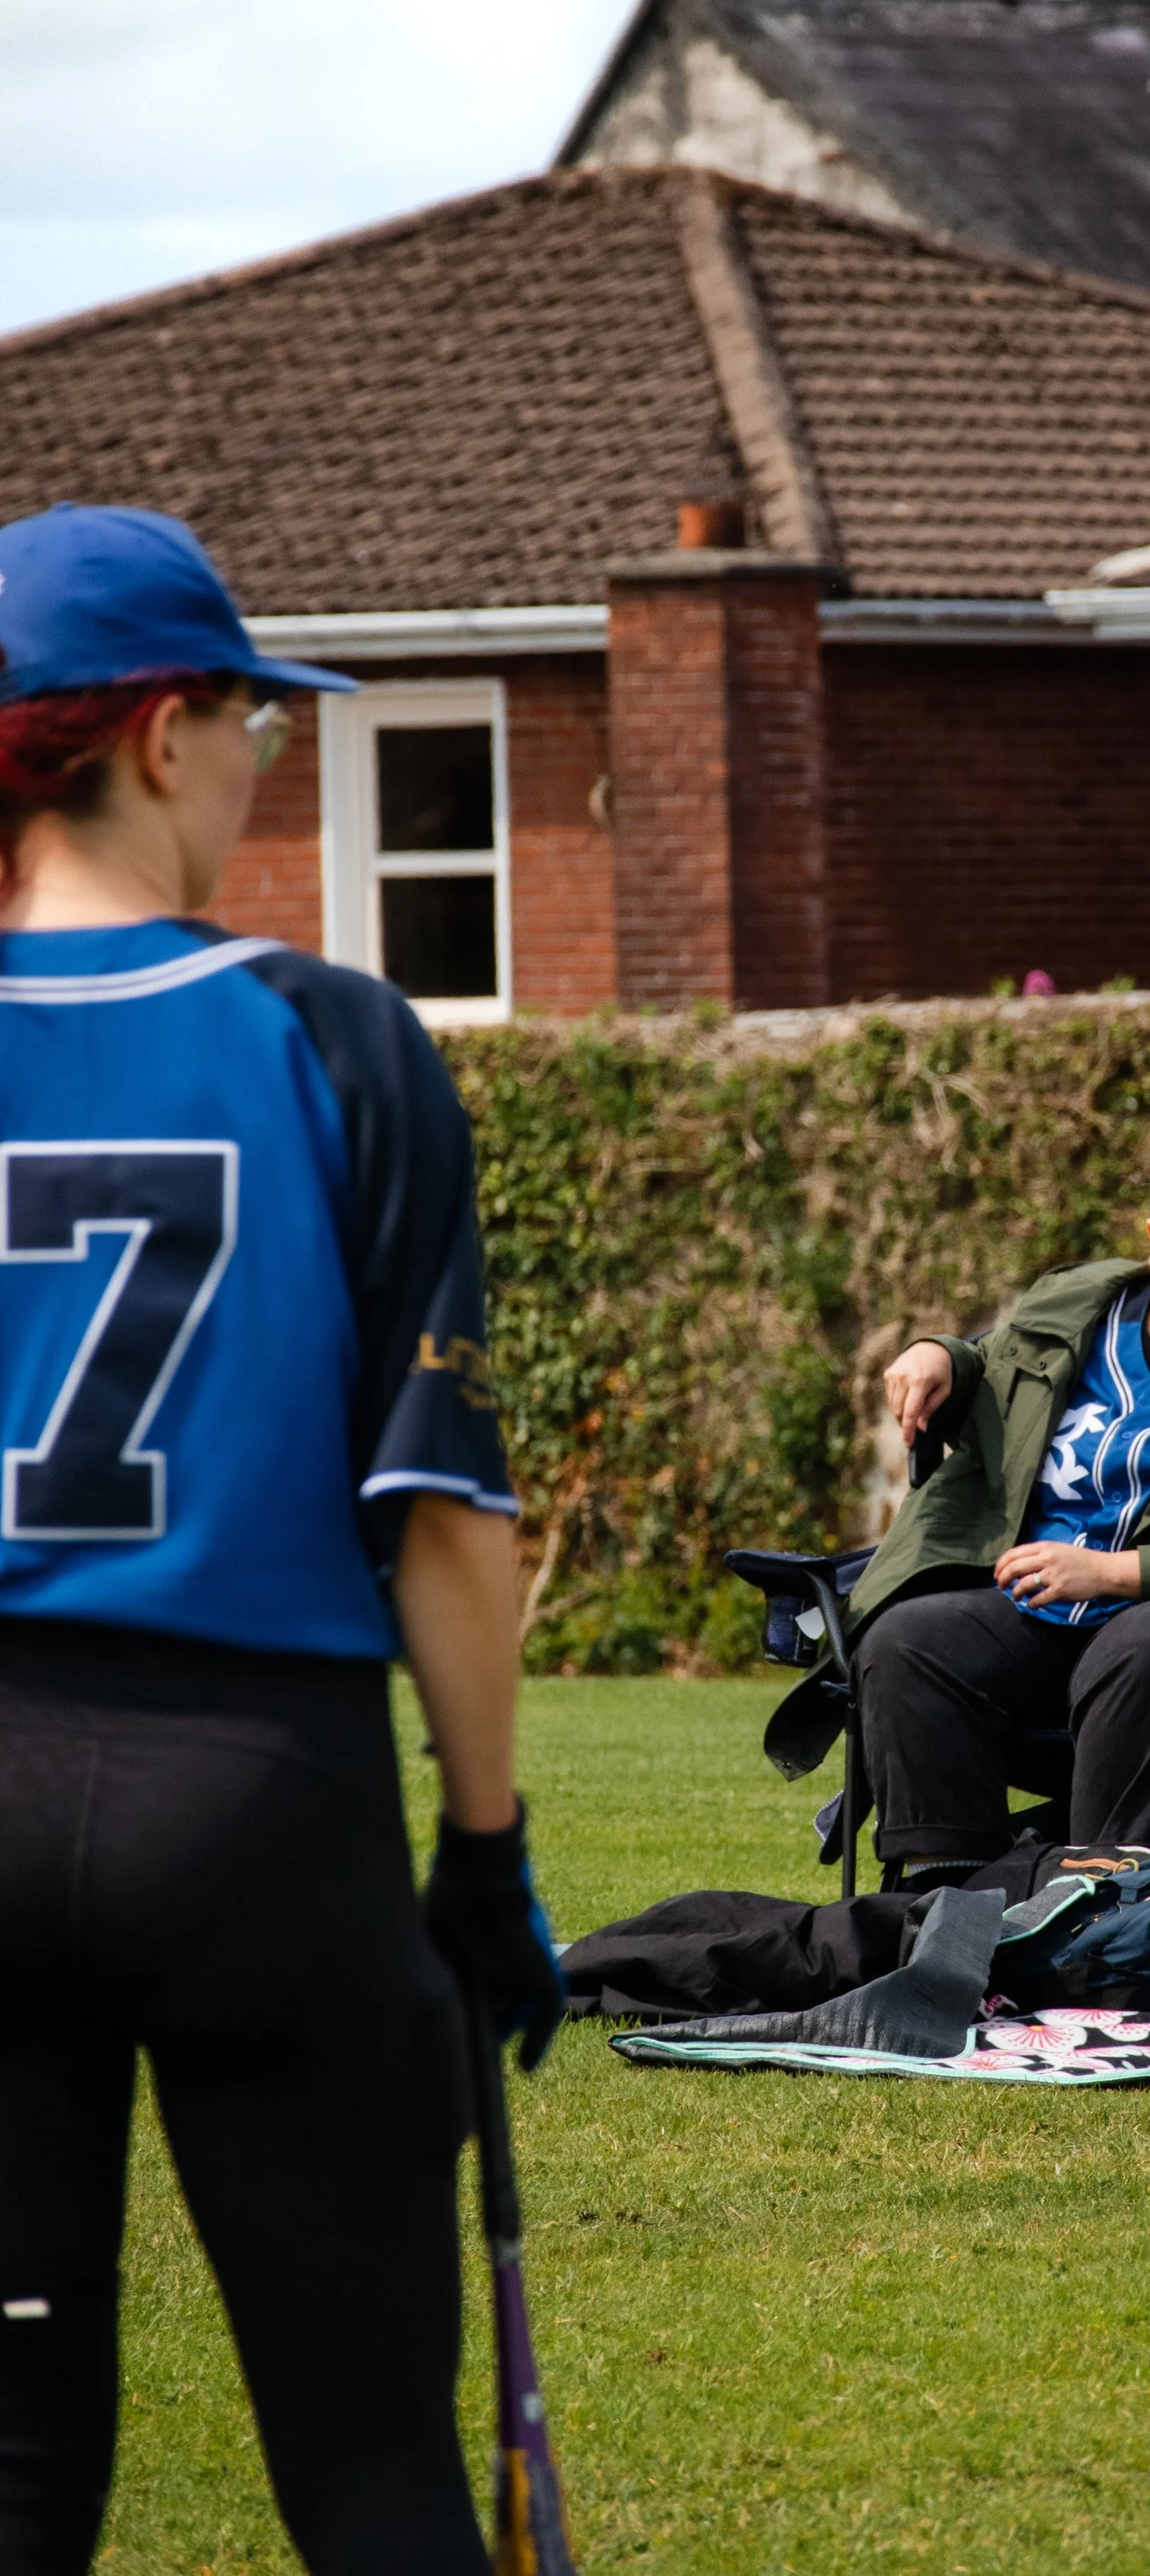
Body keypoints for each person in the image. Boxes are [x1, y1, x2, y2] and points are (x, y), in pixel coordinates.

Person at [0, 504, 560, 2574]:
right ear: (161, 732)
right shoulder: (337, 1036)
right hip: (255, 1796)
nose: (265, 763)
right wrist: (484, 1854)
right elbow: (441, 1514)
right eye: (254, 718)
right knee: (376, 2483)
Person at [764, 1148, 1150, 1868]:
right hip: (1031, 1606)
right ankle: (948, 1902)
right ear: (1149, 1232)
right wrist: (938, 1353)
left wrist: (1113, 1573)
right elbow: (991, 1363)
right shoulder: (1076, 1308)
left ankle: (1101, 1910)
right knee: (908, 1641)